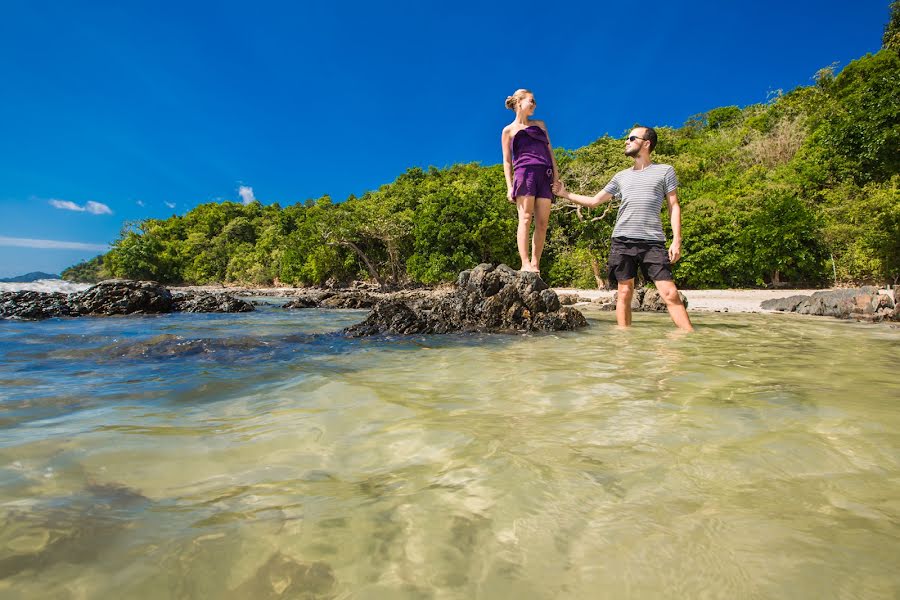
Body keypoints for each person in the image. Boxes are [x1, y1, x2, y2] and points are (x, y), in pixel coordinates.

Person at [553, 126, 694, 331]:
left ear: (646, 143)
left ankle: (689, 338)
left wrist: (676, 240)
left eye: (631, 138)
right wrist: (566, 194)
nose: (626, 141)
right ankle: (624, 343)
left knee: (670, 293)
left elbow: (674, 205)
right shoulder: (620, 176)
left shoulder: (665, 171)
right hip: (622, 240)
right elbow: (594, 201)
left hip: (653, 242)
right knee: (624, 293)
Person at [501, 89, 559, 274]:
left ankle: (535, 264)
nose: (534, 104)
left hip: (545, 174)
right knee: (525, 218)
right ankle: (524, 263)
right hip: (524, 174)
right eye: (531, 101)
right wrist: (509, 186)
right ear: (519, 102)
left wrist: (556, 177)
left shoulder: (540, 124)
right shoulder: (508, 131)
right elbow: (507, 161)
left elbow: (550, 152)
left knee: (542, 223)